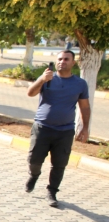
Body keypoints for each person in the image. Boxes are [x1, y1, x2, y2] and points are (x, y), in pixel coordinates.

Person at [25, 50, 91, 207]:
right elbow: (30, 93)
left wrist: (85, 127)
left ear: (73, 63)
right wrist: (42, 79)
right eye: (60, 59)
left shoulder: (80, 84)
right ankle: (34, 175)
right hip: (42, 127)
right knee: (34, 159)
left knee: (59, 164)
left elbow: (85, 107)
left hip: (65, 131)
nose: (62, 61)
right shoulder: (47, 78)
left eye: (66, 59)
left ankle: (52, 191)